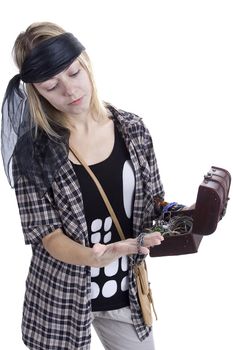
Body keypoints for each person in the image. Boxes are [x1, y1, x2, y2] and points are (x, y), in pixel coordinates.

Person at [1, 22, 166, 350]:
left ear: (86, 63)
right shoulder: (31, 152)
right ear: (35, 90)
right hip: (59, 299)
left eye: (74, 73)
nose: (70, 91)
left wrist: (188, 217)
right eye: (51, 85)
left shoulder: (133, 130)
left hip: (127, 295)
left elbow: (156, 204)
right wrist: (97, 257)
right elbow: (47, 236)